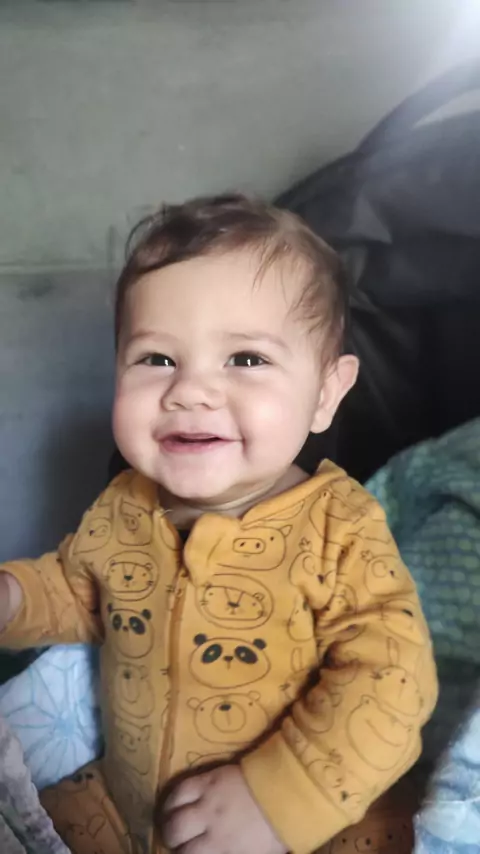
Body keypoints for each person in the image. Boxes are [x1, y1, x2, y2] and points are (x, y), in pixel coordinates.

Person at [0, 194, 437, 854]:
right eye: (157, 359)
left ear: (325, 393)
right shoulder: (126, 503)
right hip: (125, 809)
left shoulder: (339, 530)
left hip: (300, 823)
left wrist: (279, 798)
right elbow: (78, 588)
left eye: (246, 359)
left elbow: (393, 679)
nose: (190, 391)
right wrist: (13, 597)